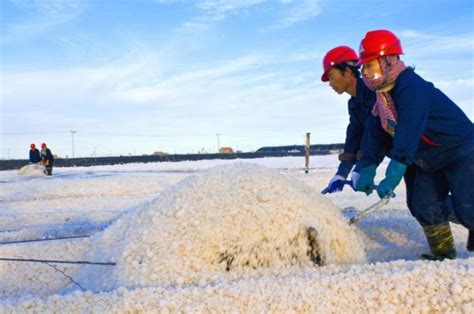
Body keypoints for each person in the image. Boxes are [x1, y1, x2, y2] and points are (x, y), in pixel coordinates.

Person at [353, 29, 474, 260]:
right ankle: (443, 254)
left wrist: (396, 168)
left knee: (468, 206)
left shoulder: (412, 86)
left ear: (388, 60)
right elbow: (375, 134)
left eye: (369, 65)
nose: (365, 72)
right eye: (363, 67)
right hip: (425, 157)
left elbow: (409, 127)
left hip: (460, 150)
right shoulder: (381, 98)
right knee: (422, 204)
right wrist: (367, 166)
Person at [320, 46, 376, 193]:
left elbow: (375, 133)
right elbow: (354, 136)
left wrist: (361, 168)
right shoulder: (354, 104)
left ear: (348, 71)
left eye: (331, 77)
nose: (330, 84)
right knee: (420, 206)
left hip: (419, 147)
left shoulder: (374, 93)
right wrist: (341, 174)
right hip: (406, 155)